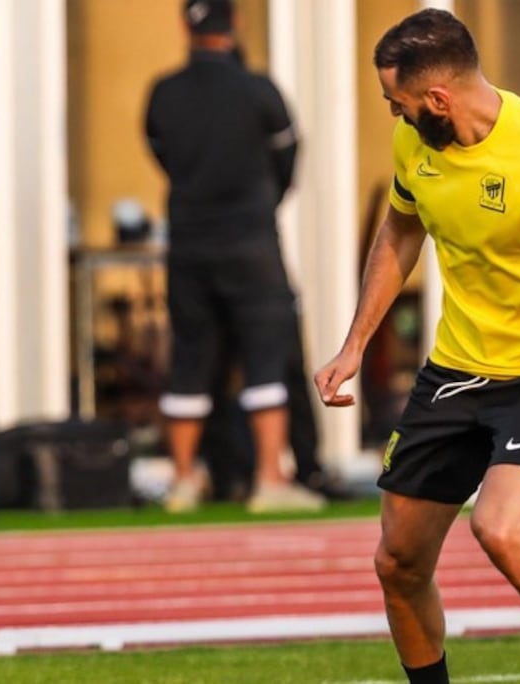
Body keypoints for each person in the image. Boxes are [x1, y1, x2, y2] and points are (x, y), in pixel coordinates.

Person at [315, 10, 520, 684]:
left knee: (501, 531)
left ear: (438, 100)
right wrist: (356, 343)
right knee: (397, 564)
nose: (394, 115)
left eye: (399, 104)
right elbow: (398, 234)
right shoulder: (417, 147)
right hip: (454, 372)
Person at [144, 0, 326, 513]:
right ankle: (270, 478)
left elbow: (160, 151)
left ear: (185, 26)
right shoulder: (258, 91)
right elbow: (288, 161)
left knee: (190, 356)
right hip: (251, 241)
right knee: (265, 356)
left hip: (188, 240)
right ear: (236, 24)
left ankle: (182, 480)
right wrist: (261, 202)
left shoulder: (165, 93)